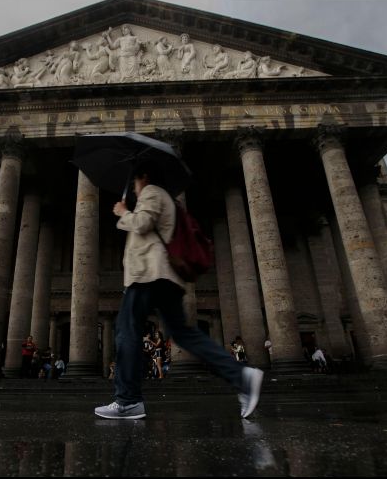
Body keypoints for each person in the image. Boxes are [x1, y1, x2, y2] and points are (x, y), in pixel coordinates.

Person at [95, 162, 263, 420]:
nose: (133, 187)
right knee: (184, 334)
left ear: (144, 176)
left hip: (147, 275)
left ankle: (128, 400)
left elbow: (141, 224)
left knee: (126, 331)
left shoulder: (152, 192)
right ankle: (241, 376)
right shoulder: (169, 200)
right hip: (166, 277)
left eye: (134, 182)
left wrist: (123, 212)